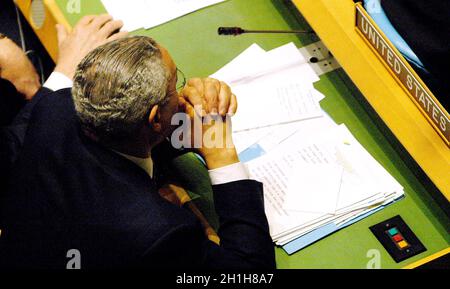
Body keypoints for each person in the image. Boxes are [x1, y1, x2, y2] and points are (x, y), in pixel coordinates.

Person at [0, 14, 275, 270]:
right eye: (174, 86)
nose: (181, 94)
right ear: (155, 119)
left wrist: (185, 129)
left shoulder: (54, 109)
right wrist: (221, 154)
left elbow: (115, 147)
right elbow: (249, 272)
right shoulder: (160, 233)